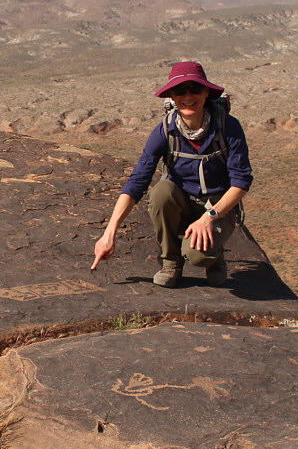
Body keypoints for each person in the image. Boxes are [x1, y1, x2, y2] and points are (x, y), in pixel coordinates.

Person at [91, 61, 253, 287]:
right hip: (182, 203)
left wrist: (208, 218)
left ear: (206, 92)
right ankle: (170, 262)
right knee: (161, 192)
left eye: (194, 89)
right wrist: (109, 233)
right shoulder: (165, 130)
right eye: (179, 90)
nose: (188, 96)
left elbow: (241, 182)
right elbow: (138, 181)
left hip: (217, 207)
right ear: (171, 97)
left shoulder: (228, 127)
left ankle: (214, 257)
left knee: (199, 255)